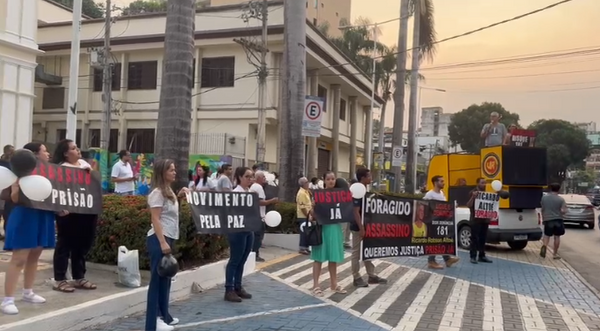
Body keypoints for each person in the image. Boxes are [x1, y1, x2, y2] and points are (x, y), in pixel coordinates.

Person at [1, 143, 55, 315]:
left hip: (41, 215)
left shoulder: (52, 172)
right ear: (35, 156)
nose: (48, 153)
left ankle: (28, 291)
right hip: (24, 216)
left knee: (35, 255)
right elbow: (13, 199)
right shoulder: (14, 176)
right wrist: (16, 188)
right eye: (44, 151)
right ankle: (8, 299)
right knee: (19, 258)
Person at [145, 159, 188, 331]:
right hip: (158, 239)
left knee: (166, 279)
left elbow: (169, 213)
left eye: (174, 169)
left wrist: (180, 197)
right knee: (157, 280)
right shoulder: (157, 193)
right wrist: (162, 242)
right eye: (171, 170)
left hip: (168, 237)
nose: (174, 172)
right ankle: (153, 323)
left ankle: (164, 316)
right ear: (162, 172)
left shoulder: (168, 191)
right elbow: (155, 218)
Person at [52, 139, 98, 293]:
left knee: (81, 244)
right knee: (65, 244)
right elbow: (57, 191)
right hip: (69, 213)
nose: (77, 150)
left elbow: (94, 185)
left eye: (77, 147)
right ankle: (60, 279)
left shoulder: (85, 165)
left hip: (86, 211)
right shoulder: (61, 169)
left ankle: (79, 277)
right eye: (73, 148)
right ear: (65, 153)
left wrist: (92, 174)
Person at [309, 173, 347, 296]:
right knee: (318, 257)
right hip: (322, 229)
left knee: (333, 258)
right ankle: (316, 285)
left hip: (335, 228)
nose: (331, 181)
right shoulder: (319, 196)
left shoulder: (340, 195)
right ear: (324, 180)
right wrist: (313, 208)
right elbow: (312, 217)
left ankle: (334, 283)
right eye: (328, 179)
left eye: (333, 179)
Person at [351, 167, 387, 288]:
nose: (371, 178)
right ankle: (356, 277)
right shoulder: (356, 191)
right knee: (356, 252)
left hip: (367, 226)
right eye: (369, 176)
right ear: (363, 178)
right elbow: (355, 212)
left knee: (368, 250)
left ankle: (371, 275)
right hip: (358, 227)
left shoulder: (365, 190)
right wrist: (361, 228)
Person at [224, 167, 255, 302]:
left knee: (242, 260)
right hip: (237, 231)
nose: (250, 179)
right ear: (240, 177)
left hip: (249, 230)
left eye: (251, 176)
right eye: (247, 176)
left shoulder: (249, 193)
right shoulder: (235, 193)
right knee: (235, 260)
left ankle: (238, 286)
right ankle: (229, 289)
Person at [423, 175, 460, 269]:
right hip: (433, 223)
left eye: (443, 181)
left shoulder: (442, 193)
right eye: (441, 181)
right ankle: (431, 261)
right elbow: (424, 206)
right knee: (435, 242)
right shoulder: (429, 194)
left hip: (442, 222)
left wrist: (452, 207)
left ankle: (447, 259)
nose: (443, 183)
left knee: (443, 240)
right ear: (435, 183)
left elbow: (444, 207)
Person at [250, 171, 278, 262]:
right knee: (258, 237)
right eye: (263, 178)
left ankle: (254, 253)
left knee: (257, 237)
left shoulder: (254, 187)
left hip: (256, 215)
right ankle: (255, 254)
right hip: (259, 216)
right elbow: (260, 202)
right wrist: (272, 201)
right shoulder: (258, 187)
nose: (265, 180)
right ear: (258, 178)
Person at [467, 178, 492, 264]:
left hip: (485, 220)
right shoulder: (472, 192)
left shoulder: (487, 193)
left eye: (485, 183)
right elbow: (468, 205)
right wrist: (473, 197)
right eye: (482, 183)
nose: (484, 184)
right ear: (477, 183)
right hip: (475, 220)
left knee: (483, 238)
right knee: (474, 238)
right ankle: (473, 256)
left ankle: (482, 255)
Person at [540, 182, 566, 260]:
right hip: (558, 220)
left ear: (550, 188)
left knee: (546, 236)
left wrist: (543, 217)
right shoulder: (561, 199)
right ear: (559, 189)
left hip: (548, 219)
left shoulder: (544, 198)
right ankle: (554, 254)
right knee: (557, 237)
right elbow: (563, 210)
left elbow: (542, 208)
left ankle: (544, 247)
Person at [296, 177, 312, 255]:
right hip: (303, 216)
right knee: (303, 232)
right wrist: (307, 215)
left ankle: (306, 247)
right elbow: (302, 207)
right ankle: (302, 247)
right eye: (306, 182)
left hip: (307, 214)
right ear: (303, 184)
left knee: (307, 232)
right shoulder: (301, 193)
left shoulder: (306, 192)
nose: (308, 184)